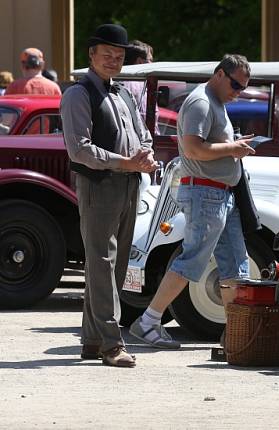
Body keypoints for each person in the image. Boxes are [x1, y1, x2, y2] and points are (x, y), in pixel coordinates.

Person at [130, 54, 255, 349]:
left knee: (236, 265)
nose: (237, 92)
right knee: (193, 260)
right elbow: (194, 149)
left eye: (242, 88)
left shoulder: (216, 102)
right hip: (207, 193)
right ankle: (148, 321)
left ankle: (236, 336)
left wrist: (232, 148)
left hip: (219, 193)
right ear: (219, 74)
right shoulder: (201, 102)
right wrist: (232, 148)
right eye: (235, 84)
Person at [60, 24, 158, 367]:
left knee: (114, 267)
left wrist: (145, 156)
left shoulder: (124, 94)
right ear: (91, 55)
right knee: (101, 265)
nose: (113, 61)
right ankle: (112, 344)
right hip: (98, 186)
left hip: (130, 184)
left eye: (118, 56)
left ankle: (92, 341)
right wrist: (125, 162)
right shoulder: (78, 94)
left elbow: (143, 135)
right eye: (107, 55)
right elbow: (79, 150)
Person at [121, 40, 157, 130]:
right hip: (142, 140)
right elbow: (146, 117)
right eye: (150, 60)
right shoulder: (140, 85)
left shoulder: (118, 82)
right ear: (140, 61)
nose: (152, 64)